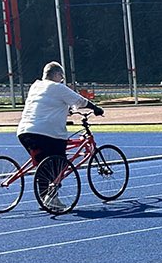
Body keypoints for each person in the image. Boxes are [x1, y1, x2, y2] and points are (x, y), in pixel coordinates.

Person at [17, 61, 100, 209]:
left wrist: (66, 110)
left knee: (43, 165)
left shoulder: (35, 87)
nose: (62, 80)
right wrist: (95, 108)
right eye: (61, 77)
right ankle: (51, 197)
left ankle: (45, 198)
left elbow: (46, 104)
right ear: (56, 75)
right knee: (60, 162)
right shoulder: (58, 87)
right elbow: (80, 101)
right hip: (45, 132)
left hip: (24, 131)